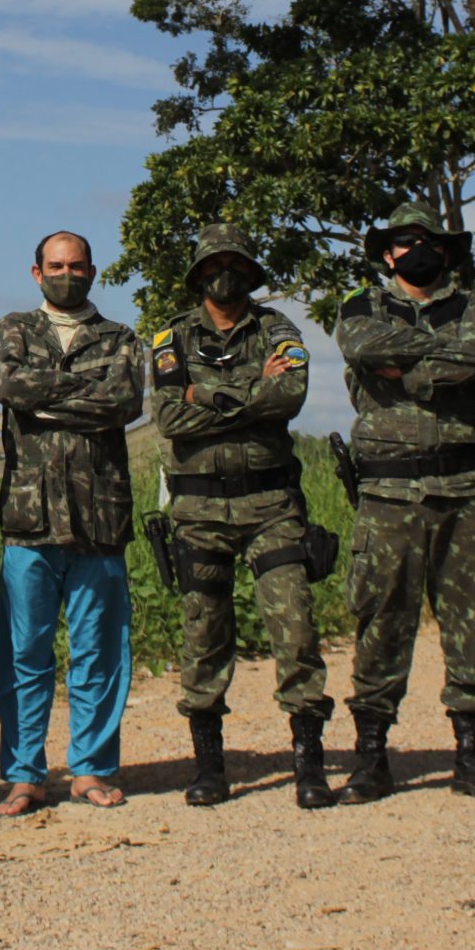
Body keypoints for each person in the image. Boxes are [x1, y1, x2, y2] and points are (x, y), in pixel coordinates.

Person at [147, 224, 333, 809]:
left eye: (235, 263)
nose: (223, 273)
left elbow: (290, 397)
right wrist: (252, 391)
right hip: (199, 510)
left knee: (295, 630)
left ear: (250, 272)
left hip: (272, 507)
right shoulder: (171, 335)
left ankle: (309, 765)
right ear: (199, 273)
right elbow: (169, 418)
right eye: (213, 264)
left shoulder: (278, 330)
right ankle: (209, 767)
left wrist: (207, 395)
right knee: (204, 635)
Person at [336, 203, 475, 802]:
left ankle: (472, 754)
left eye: (429, 240)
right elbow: (361, 347)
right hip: (388, 494)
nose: (418, 250)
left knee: (473, 626)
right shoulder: (362, 306)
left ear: (448, 249)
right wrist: (442, 356)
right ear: (387, 253)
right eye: (405, 241)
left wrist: (407, 372)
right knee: (381, 624)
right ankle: (371, 758)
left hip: (465, 492)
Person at [0, 230, 143, 815]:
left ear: (93, 272)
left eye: (76, 266)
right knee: (24, 652)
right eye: (55, 265)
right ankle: (25, 773)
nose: (67, 274)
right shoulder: (14, 328)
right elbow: (12, 388)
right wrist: (85, 392)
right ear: (36, 273)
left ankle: (93, 769)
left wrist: (49, 398)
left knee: (99, 649)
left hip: (100, 517)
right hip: (29, 518)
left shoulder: (120, 337)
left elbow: (125, 401)